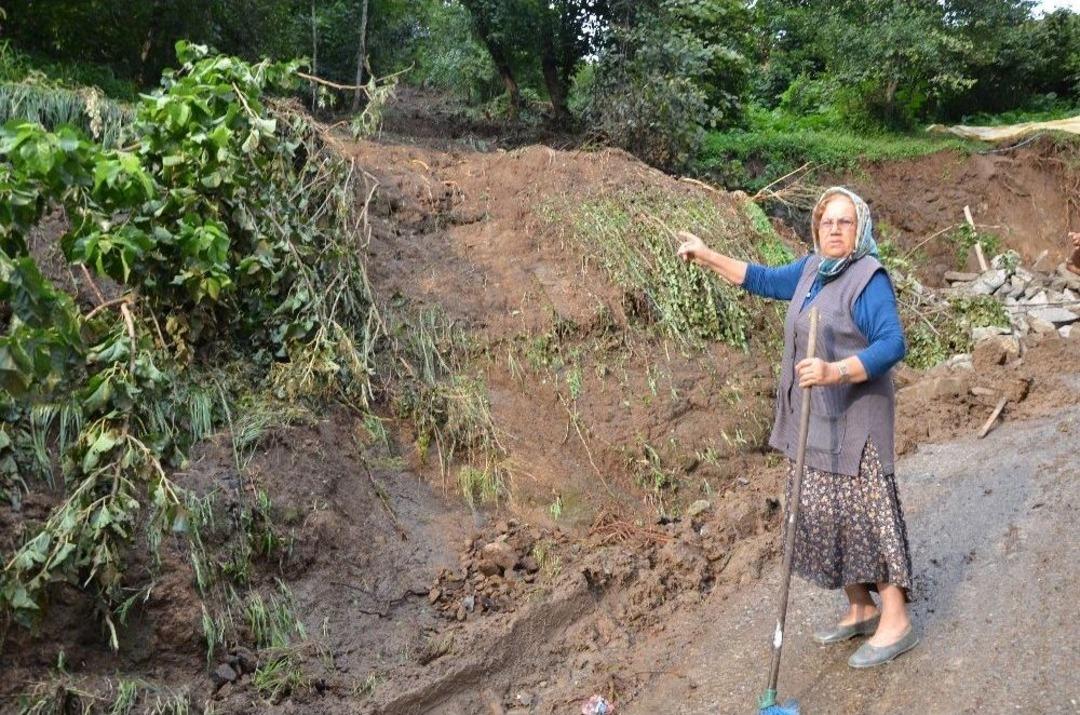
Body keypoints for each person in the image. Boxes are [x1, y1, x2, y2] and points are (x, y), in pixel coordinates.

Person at [676, 187, 916, 668]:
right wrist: (706, 256)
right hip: (816, 420)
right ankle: (860, 607)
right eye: (827, 221)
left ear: (860, 229)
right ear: (816, 227)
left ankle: (896, 620)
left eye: (844, 222)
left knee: (869, 515)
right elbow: (760, 278)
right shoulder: (810, 270)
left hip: (858, 420)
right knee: (827, 512)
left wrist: (836, 370)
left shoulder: (868, 279)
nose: (834, 229)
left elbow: (893, 343)